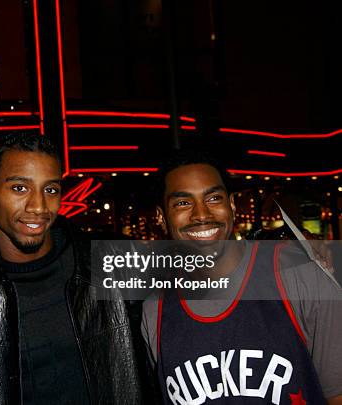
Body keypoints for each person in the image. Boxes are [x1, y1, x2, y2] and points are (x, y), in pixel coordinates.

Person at [141, 149, 342, 404]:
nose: (201, 214)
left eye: (213, 198)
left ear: (232, 205)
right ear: (161, 217)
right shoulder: (153, 311)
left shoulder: (301, 278)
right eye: (183, 203)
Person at [0, 133, 157, 404]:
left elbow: (218, 281)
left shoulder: (113, 259)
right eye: (19, 188)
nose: (38, 207)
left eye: (50, 190)